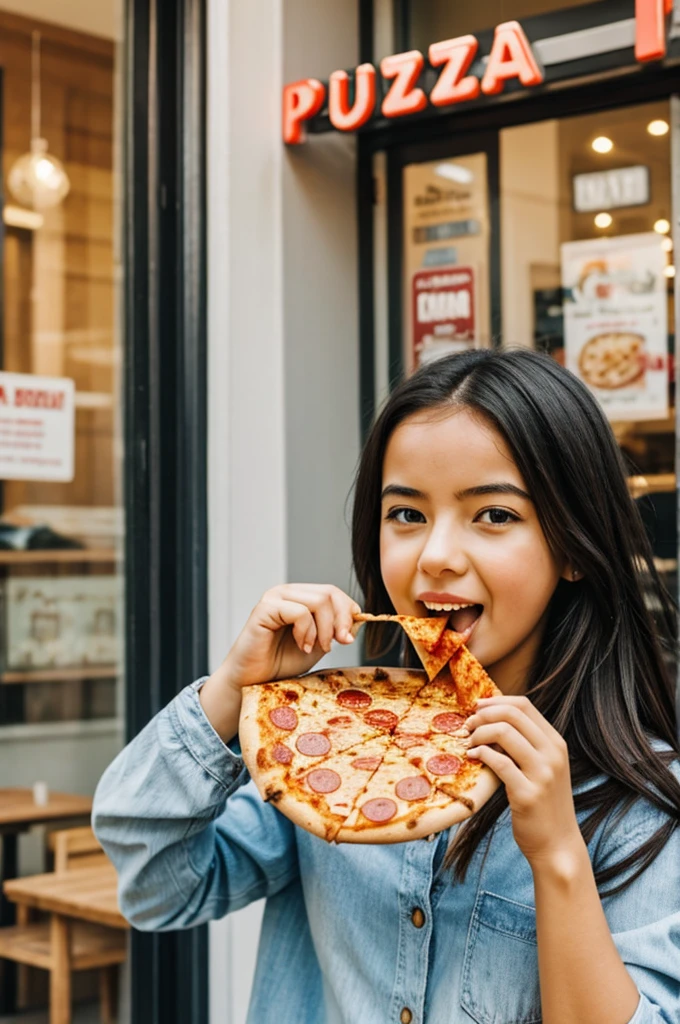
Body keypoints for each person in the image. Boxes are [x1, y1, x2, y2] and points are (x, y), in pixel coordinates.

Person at [93, 348, 680, 1024]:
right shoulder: (329, 758)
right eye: (406, 514)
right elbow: (154, 885)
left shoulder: (638, 808)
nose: (435, 556)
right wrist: (232, 689)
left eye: (494, 515)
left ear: (573, 546)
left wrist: (555, 854)